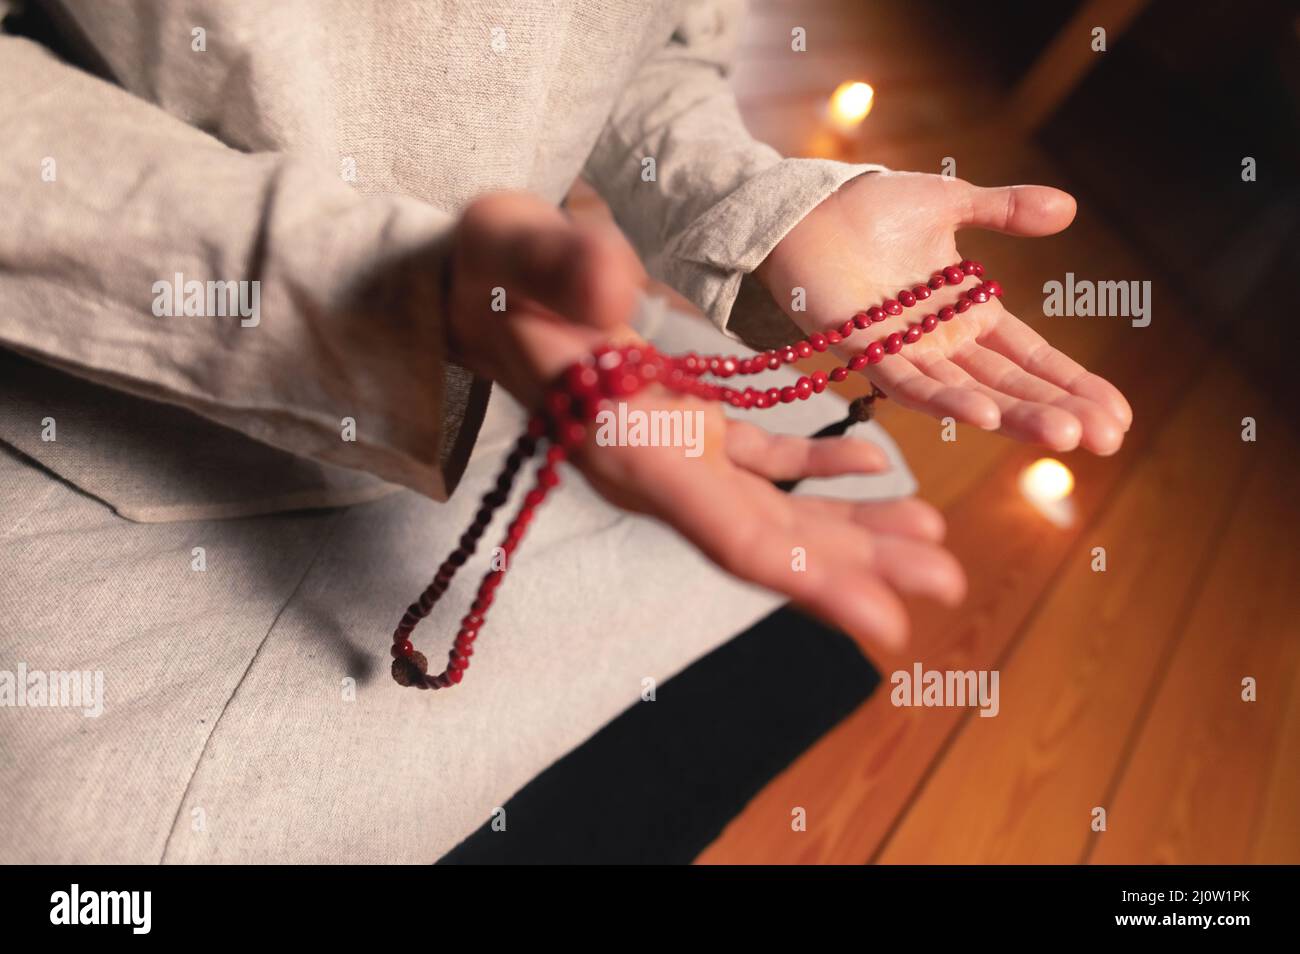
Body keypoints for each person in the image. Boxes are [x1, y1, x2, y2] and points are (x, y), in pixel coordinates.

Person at [0, 1, 1131, 862]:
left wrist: (754, 201)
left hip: (524, 341)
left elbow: (639, 47)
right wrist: (395, 294)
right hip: (107, 362)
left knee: (841, 496)